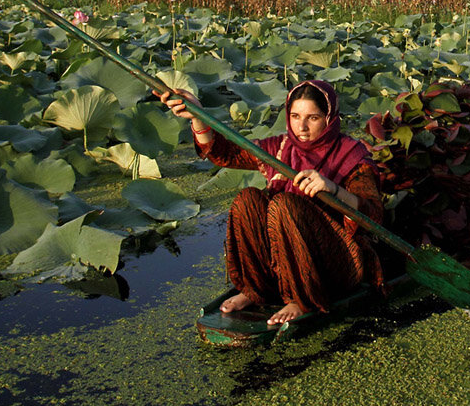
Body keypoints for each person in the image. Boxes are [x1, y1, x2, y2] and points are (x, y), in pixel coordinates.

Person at [156, 79, 384, 326]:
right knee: (248, 199)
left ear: (329, 118)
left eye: (313, 118)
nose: (302, 127)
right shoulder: (280, 147)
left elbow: (373, 216)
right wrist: (197, 116)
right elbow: (225, 153)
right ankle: (256, 288)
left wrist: (334, 189)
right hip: (283, 260)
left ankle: (300, 298)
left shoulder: (352, 155)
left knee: (285, 205)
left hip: (334, 266)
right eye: (295, 116)